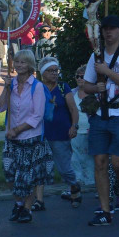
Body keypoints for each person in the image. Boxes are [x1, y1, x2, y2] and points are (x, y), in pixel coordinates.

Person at [81, 15, 119, 226]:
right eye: (105, 29)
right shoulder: (95, 56)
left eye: (113, 28)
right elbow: (86, 86)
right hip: (101, 113)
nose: (108, 32)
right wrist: (94, 87)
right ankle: (105, 211)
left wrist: (107, 72)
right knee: (99, 163)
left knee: (117, 162)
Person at [0, 49, 51, 224]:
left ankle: (27, 209)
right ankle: (18, 203)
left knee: (28, 177)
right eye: (17, 61)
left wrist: (18, 129)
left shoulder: (37, 87)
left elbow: (37, 115)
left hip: (30, 138)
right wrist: (5, 89)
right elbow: (0, 108)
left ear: (30, 66)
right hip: (12, 139)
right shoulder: (11, 84)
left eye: (23, 62)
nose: (19, 65)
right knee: (9, 172)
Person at [35, 56, 82, 209]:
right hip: (41, 134)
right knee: (39, 167)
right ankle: (39, 201)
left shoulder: (63, 87)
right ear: (43, 72)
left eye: (56, 70)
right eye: (51, 71)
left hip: (61, 134)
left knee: (64, 169)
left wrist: (74, 126)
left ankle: (74, 187)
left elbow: (73, 109)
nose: (55, 74)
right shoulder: (37, 88)